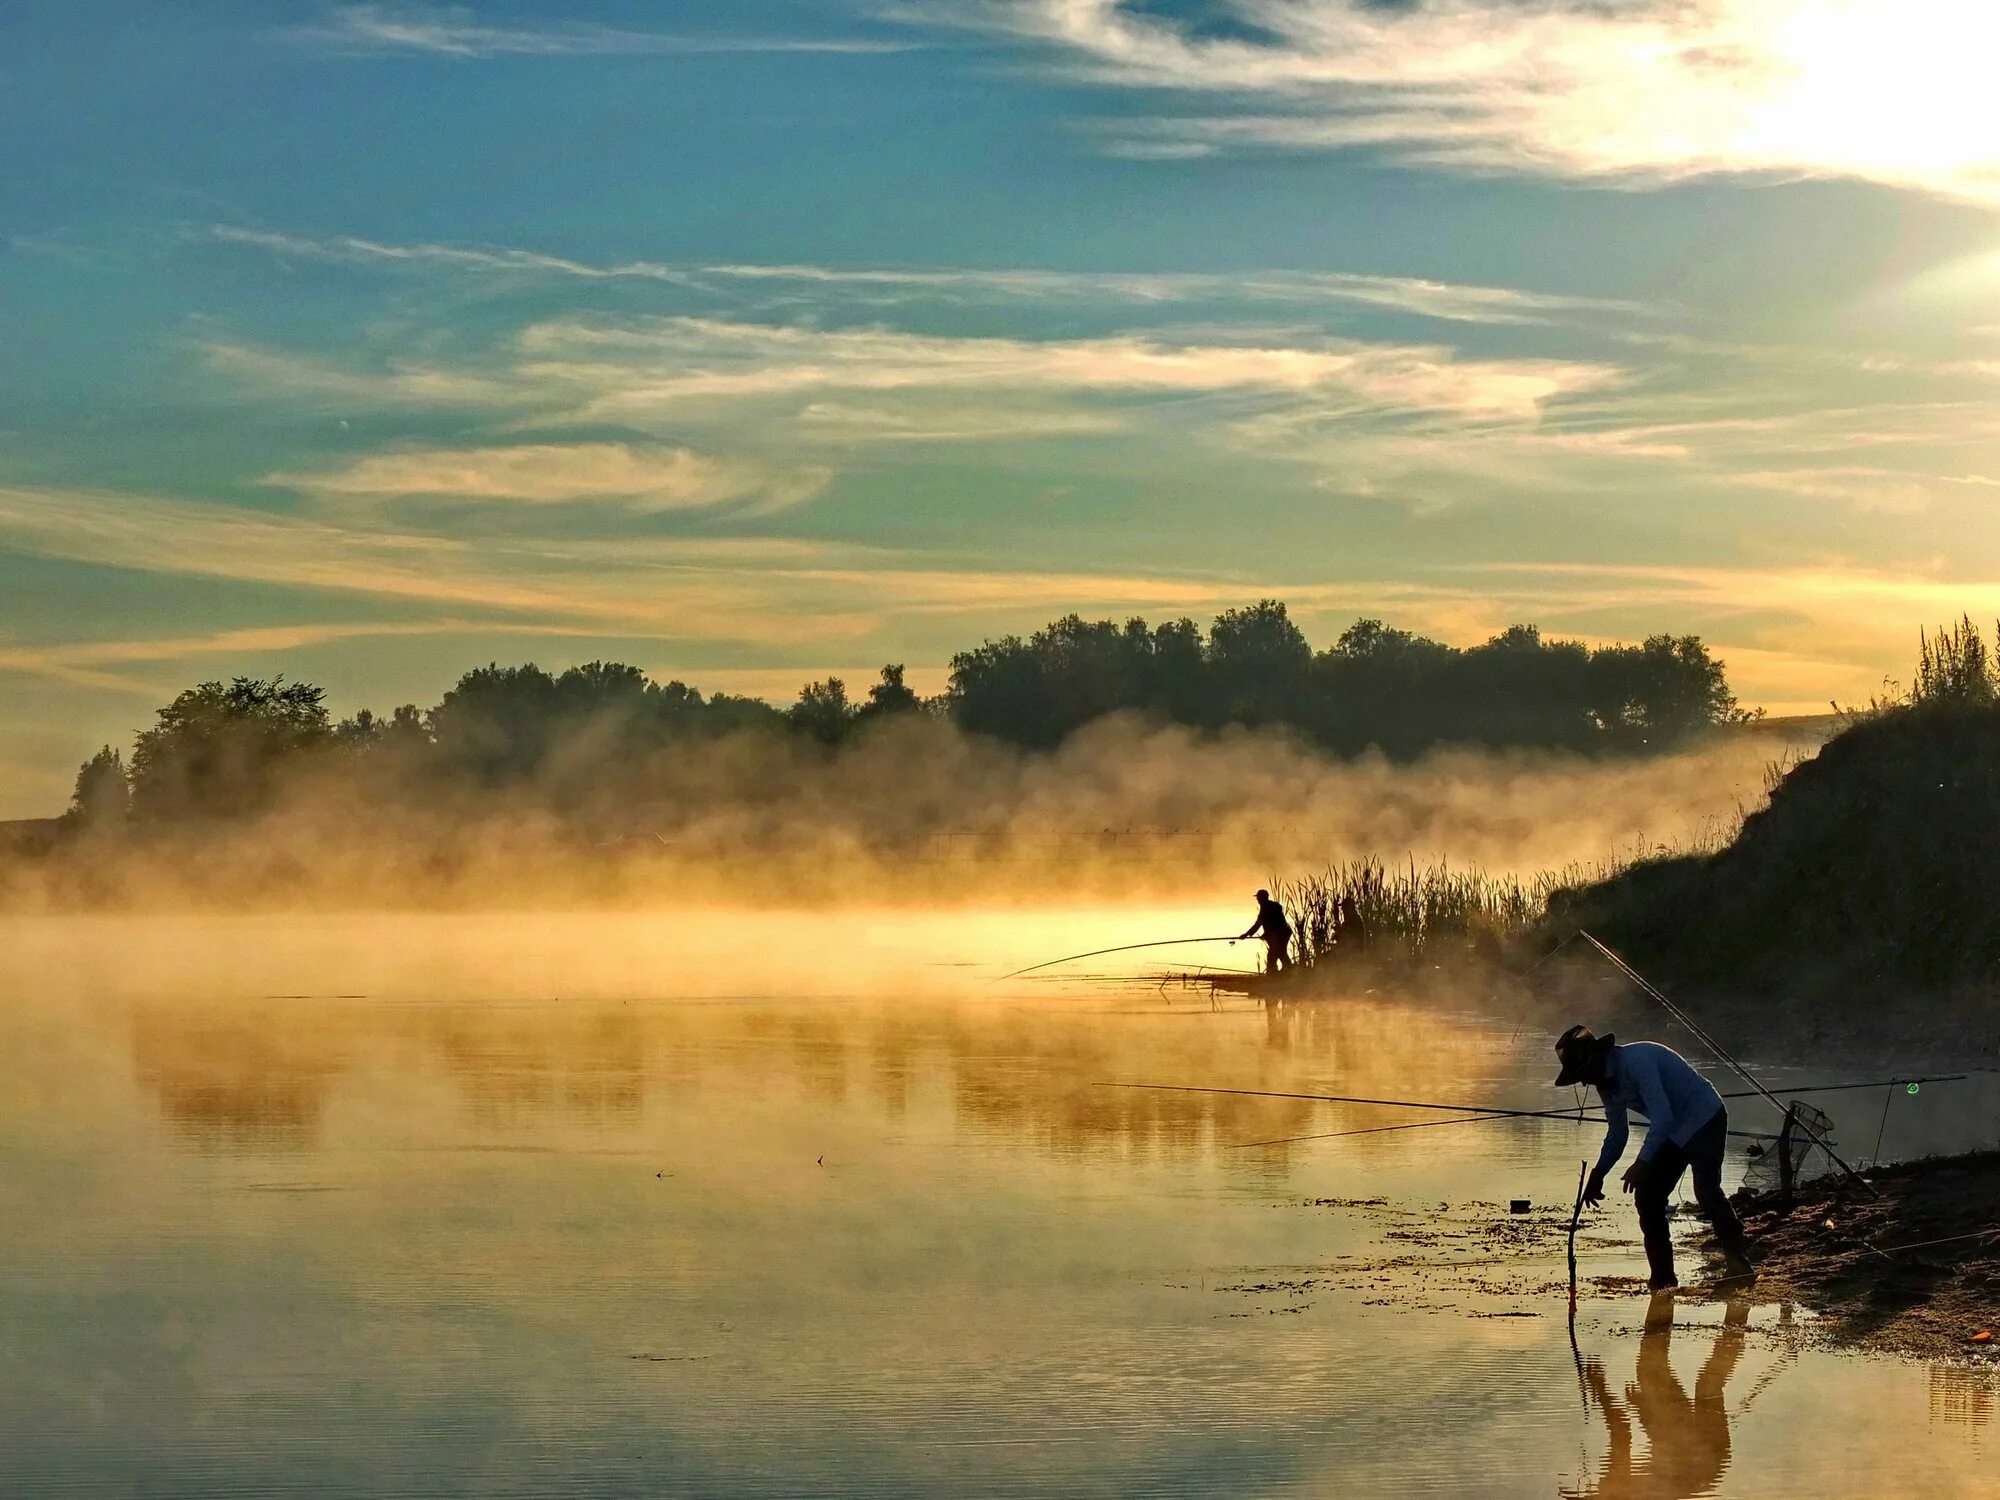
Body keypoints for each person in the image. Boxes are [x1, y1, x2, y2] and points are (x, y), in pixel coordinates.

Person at [1555, 1025, 1755, 1290]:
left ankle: (1739, 1266)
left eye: (1584, 1074)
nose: (1585, 1082)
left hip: (1705, 1117)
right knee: (1648, 1196)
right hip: (1674, 1131)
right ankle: (1663, 1278)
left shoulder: (1638, 1063)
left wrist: (1642, 1162)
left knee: (1706, 1191)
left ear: (1595, 1060)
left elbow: (1662, 1115)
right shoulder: (1607, 1085)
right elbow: (1617, 1132)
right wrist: (1598, 1173)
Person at [1241, 889, 1293, 974]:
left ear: (1263, 898)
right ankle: (1286, 971)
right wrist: (1249, 934)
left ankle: (1274, 974)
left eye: (1258, 898)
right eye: (1257, 898)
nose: (1257, 900)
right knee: (1280, 952)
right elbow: (1263, 923)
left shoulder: (1266, 908)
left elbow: (1267, 923)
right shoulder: (1269, 906)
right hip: (1284, 932)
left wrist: (1247, 934)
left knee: (1275, 953)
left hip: (1282, 933)